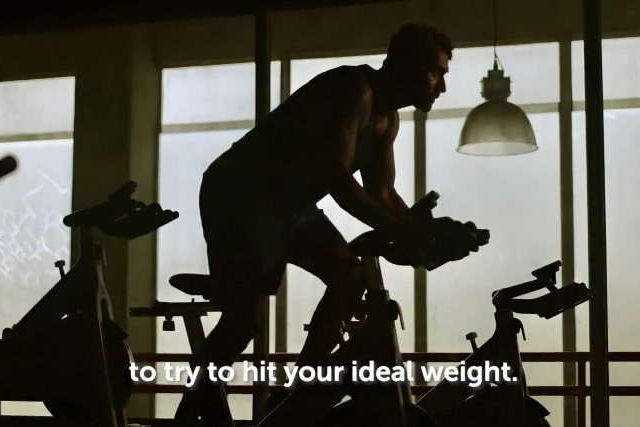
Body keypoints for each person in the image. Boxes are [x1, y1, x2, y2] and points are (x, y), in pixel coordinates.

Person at [176, 23, 453, 423]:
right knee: (244, 321)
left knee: (350, 275)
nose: (441, 86)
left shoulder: (387, 119)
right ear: (407, 65)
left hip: (289, 204)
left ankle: (296, 393)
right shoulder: (355, 90)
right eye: (435, 72)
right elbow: (338, 181)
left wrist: (426, 232)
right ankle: (189, 413)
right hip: (240, 193)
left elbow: (383, 194)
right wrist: (405, 232)